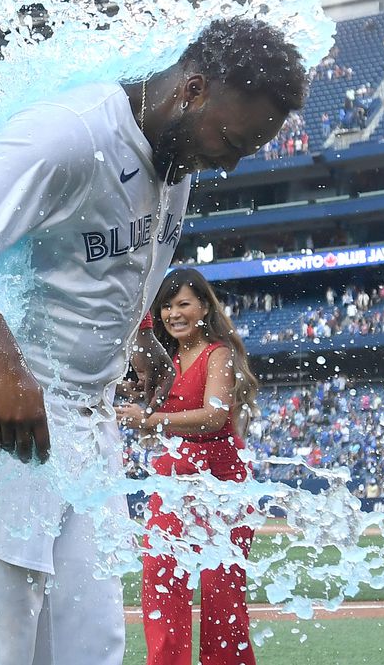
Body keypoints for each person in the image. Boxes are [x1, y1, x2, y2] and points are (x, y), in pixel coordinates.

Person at [0, 18, 308, 665]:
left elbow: (101, 267)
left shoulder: (176, 159)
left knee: (93, 650)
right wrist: (0, 358)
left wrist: (132, 342)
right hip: (1, 421)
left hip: (85, 430)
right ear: (192, 89)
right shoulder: (73, 132)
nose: (229, 161)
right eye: (230, 139)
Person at [116, 268, 259, 665]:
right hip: (174, 483)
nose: (174, 313)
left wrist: (146, 419)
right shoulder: (165, 363)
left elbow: (214, 417)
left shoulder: (219, 354)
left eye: (183, 304)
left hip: (221, 488)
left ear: (203, 308)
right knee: (161, 583)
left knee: (222, 598)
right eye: (166, 305)